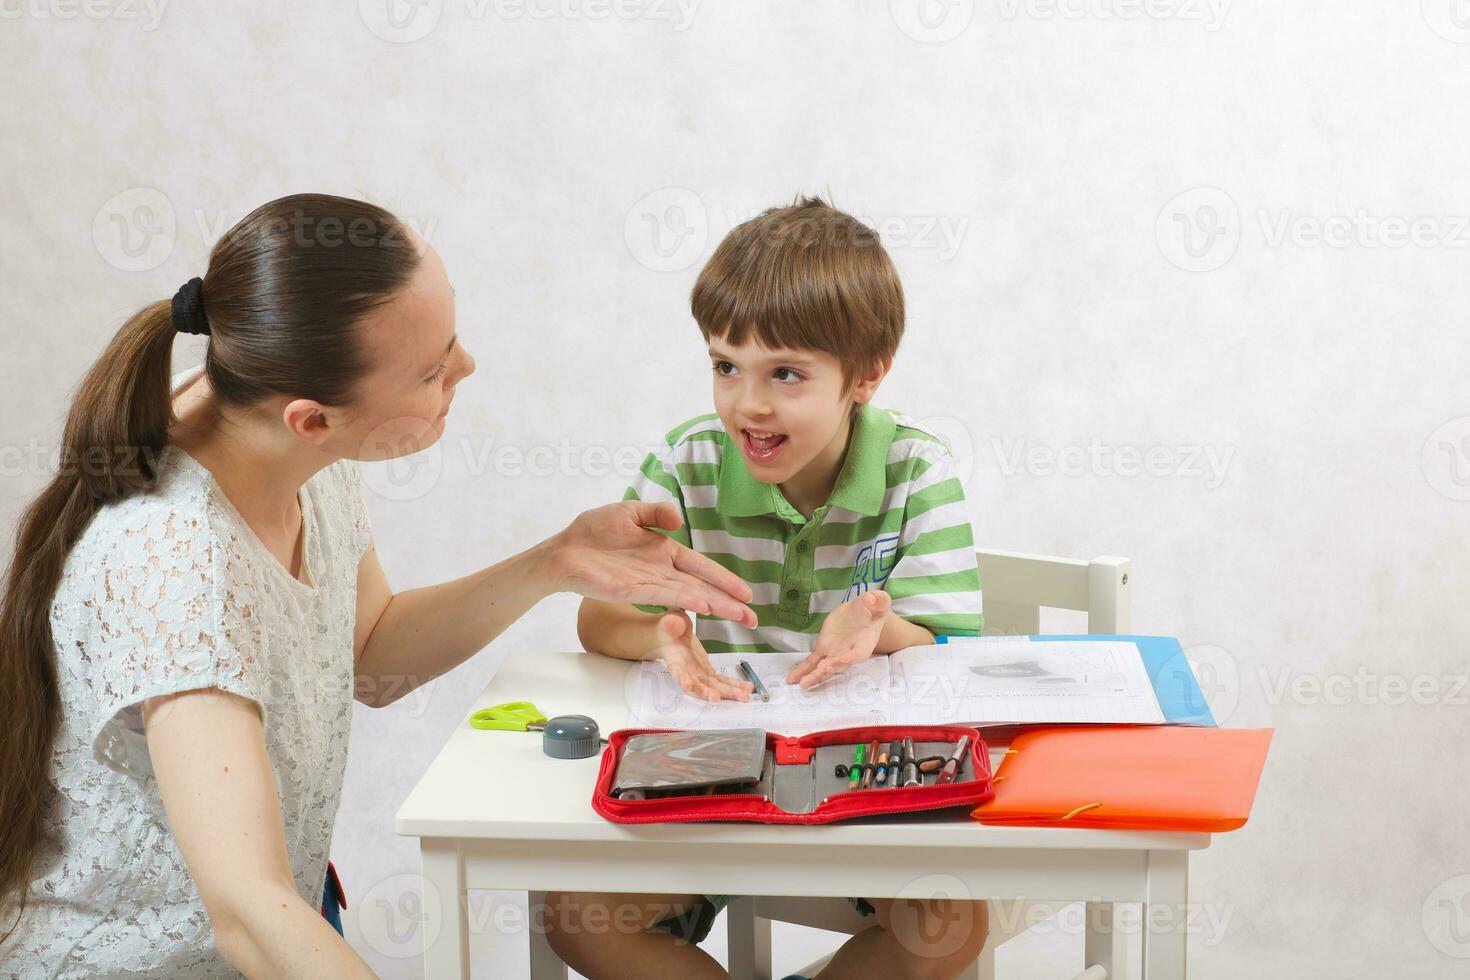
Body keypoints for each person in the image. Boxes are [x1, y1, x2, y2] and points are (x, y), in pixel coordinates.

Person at [0, 193, 756, 977]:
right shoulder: (173, 566)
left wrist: (555, 561)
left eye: (453, 337)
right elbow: (249, 913)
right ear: (313, 420)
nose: (466, 367)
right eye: (434, 371)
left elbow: (367, 651)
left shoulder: (271, 421)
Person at [545, 198, 988, 979]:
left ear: (868, 375)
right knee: (578, 916)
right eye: (726, 366)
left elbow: (949, 652)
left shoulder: (919, 472)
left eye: (786, 373)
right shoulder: (687, 464)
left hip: (864, 780)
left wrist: (880, 631)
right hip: (710, 777)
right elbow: (598, 618)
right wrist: (660, 637)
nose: (748, 404)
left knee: (949, 924)